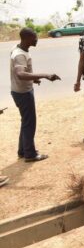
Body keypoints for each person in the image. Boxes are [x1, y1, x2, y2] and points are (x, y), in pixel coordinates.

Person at [10, 28, 60, 162]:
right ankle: (30, 154)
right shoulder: (20, 55)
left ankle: (23, 150)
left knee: (25, 121)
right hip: (23, 93)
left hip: (20, 91)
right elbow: (20, 74)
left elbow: (23, 72)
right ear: (26, 39)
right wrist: (45, 75)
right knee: (30, 123)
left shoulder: (18, 49)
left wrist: (33, 79)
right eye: (34, 37)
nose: (36, 39)